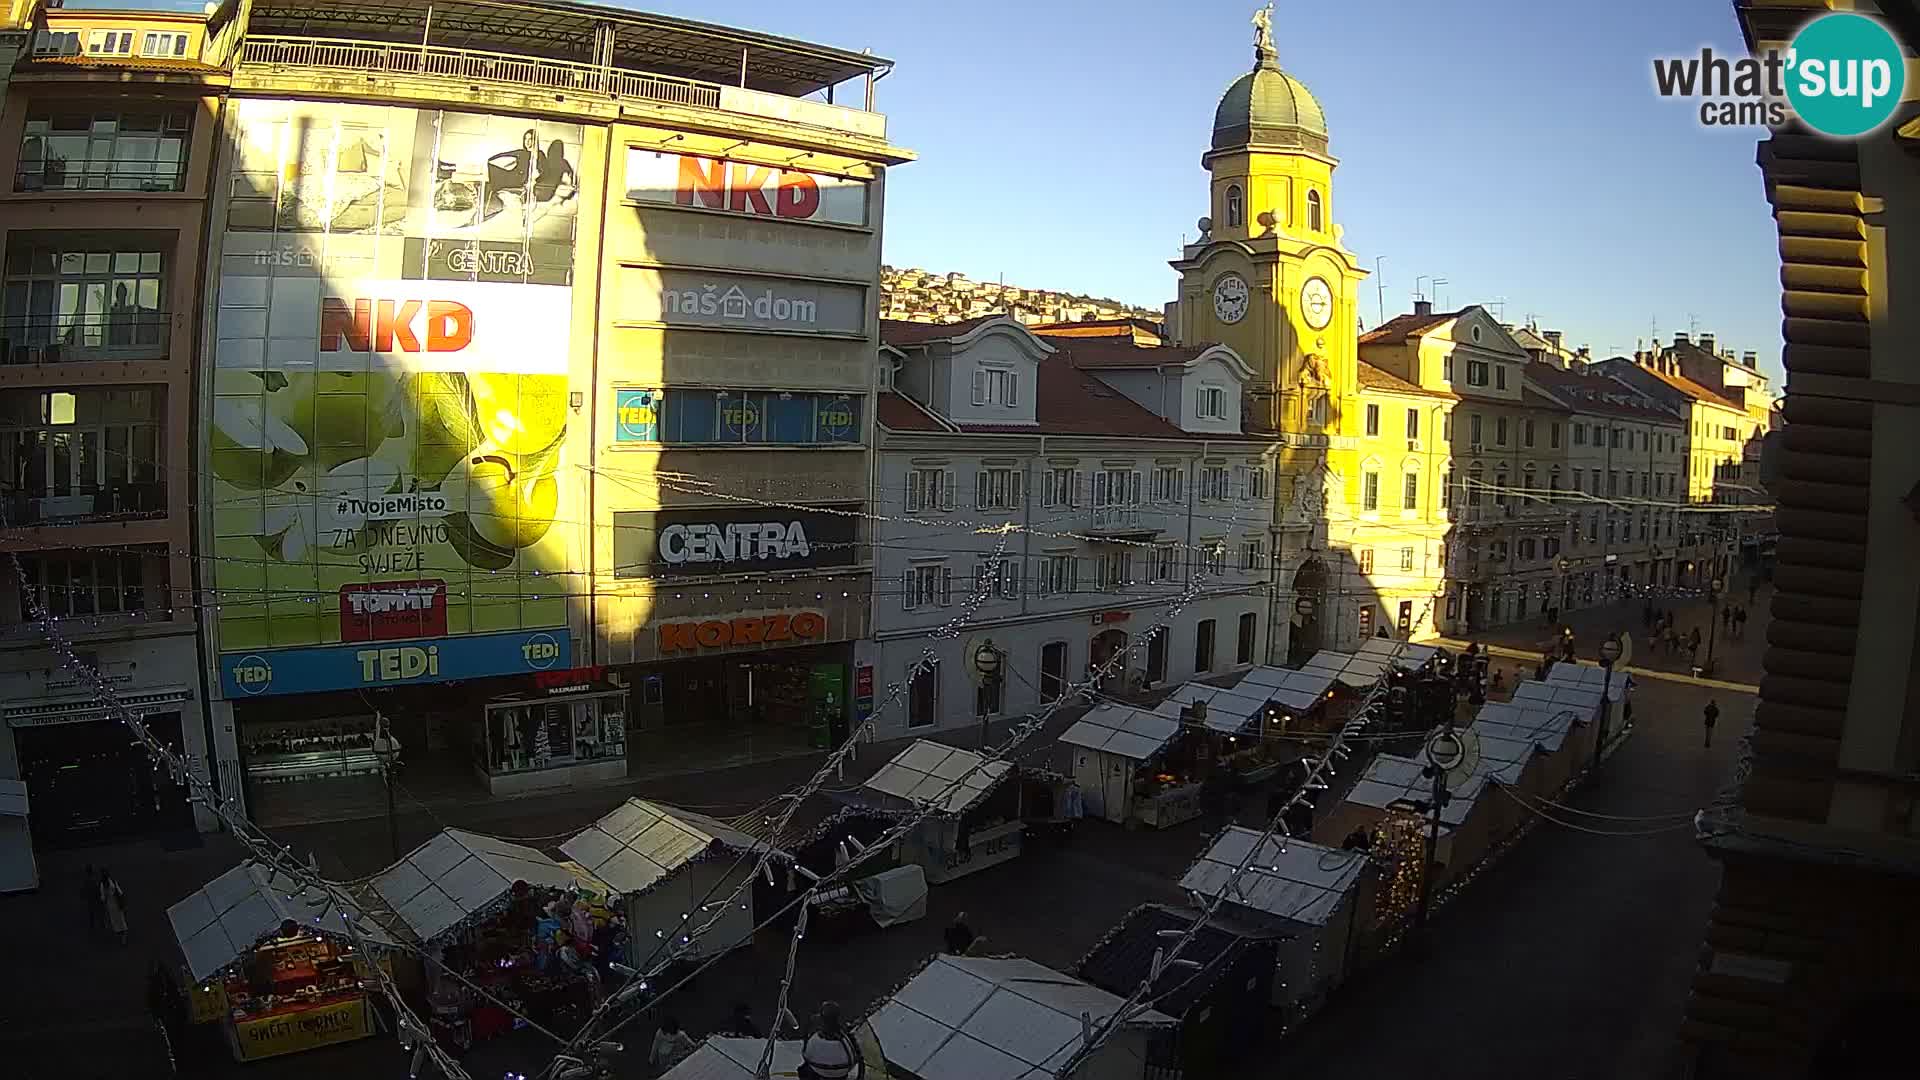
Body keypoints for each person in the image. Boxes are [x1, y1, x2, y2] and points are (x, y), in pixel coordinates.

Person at [799, 1002, 861, 1080]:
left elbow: (805, 1055)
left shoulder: (814, 1040)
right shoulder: (845, 1036)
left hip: (819, 1072)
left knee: (803, 1070)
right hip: (841, 1073)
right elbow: (856, 1056)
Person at [104, 870, 128, 946]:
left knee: (115, 922)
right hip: (117, 904)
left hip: (110, 906)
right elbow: (120, 893)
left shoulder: (102, 885)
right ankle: (123, 940)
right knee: (121, 921)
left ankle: (119, 936)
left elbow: (103, 898)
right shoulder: (113, 883)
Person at [84, 863, 101, 936]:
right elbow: (97, 889)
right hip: (95, 898)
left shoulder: (87, 880)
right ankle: (98, 926)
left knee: (92, 913)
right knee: (97, 912)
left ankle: (92, 926)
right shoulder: (93, 879)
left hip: (91, 899)